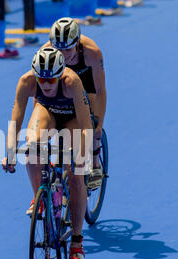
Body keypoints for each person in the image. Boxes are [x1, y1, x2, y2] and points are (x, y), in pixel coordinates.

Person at [2, 47, 93, 259]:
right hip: (49, 113)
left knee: (75, 175)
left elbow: (85, 126)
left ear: (61, 74)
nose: (46, 85)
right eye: (41, 79)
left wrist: (82, 155)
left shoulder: (72, 82)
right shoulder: (26, 81)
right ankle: (40, 196)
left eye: (51, 80)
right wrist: (10, 152)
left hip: (72, 119)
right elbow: (16, 119)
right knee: (32, 147)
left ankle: (76, 243)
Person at [43, 17, 107, 190]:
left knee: (92, 124)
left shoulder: (92, 53)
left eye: (68, 49)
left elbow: (100, 90)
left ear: (77, 42)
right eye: (59, 49)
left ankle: (94, 163)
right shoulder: (46, 52)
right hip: (64, 84)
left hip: (87, 84)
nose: (63, 54)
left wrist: (99, 125)